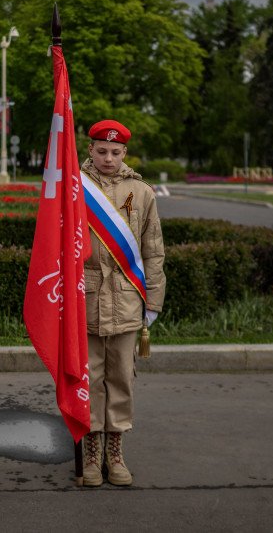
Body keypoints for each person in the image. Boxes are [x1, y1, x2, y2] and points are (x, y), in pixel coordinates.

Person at [80, 120, 166, 487]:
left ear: (125, 153)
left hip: (128, 300)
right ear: (90, 150)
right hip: (85, 299)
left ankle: (114, 453)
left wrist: (153, 301)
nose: (108, 158)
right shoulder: (75, 187)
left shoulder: (142, 192)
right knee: (89, 380)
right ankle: (91, 452)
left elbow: (153, 250)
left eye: (115, 152)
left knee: (121, 379)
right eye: (101, 151)